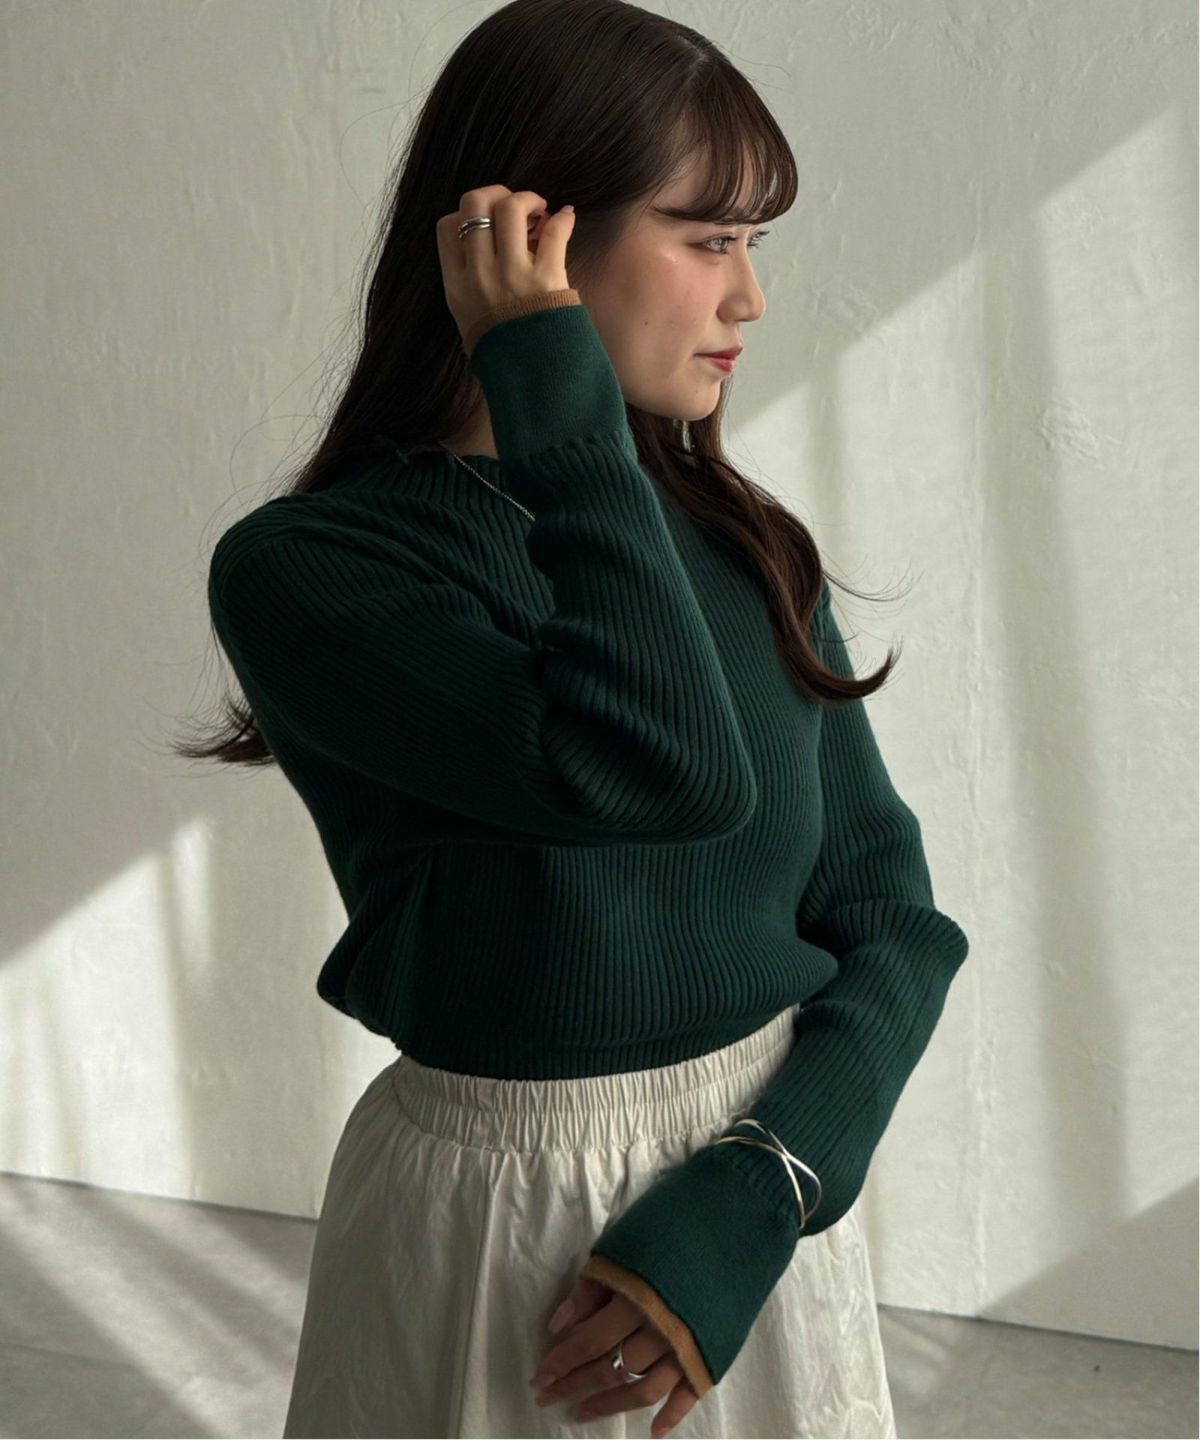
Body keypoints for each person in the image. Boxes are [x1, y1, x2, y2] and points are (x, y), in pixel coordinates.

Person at [188, 2, 971, 1435]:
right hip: (503, 1237)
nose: (751, 299)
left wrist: (765, 1186)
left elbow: (894, 918)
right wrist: (547, 382)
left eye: (755, 242)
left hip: (758, 1223)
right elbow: (652, 770)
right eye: (710, 238)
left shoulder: (742, 545)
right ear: (526, 238)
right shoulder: (311, 571)